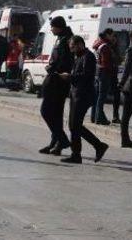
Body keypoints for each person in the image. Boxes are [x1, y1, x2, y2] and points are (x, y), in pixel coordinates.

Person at [60, 35, 109, 164]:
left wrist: (70, 77)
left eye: (73, 47)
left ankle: (81, 153)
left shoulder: (88, 56)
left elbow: (86, 76)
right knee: (73, 125)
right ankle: (96, 147)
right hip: (76, 94)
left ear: (80, 44)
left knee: (75, 125)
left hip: (83, 95)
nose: (71, 50)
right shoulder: (79, 56)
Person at [39, 16, 73, 156]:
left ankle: (62, 140)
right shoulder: (62, 38)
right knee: (56, 114)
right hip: (57, 80)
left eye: (52, 27)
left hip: (58, 81)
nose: (51, 29)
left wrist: (52, 68)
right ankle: (56, 143)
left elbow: (65, 61)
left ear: (58, 26)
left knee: (46, 111)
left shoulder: (67, 40)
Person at [91, 28, 119, 125]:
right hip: (104, 73)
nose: (113, 37)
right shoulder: (105, 46)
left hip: (99, 72)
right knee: (101, 97)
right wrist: (111, 69)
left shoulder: (99, 44)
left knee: (98, 95)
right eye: (112, 35)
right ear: (107, 35)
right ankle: (99, 118)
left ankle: (94, 116)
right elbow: (106, 62)